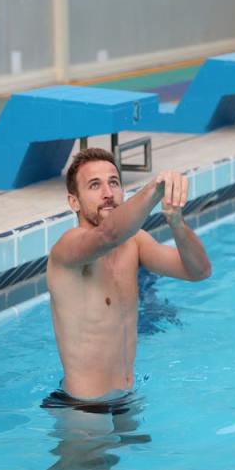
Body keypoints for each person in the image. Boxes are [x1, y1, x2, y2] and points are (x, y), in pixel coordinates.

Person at [45, 148, 212, 406]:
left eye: (113, 183)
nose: (108, 193)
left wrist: (176, 222)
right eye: (94, 185)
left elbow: (199, 272)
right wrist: (155, 188)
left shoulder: (135, 243)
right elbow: (108, 235)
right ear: (74, 202)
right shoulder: (69, 248)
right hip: (84, 407)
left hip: (127, 398)